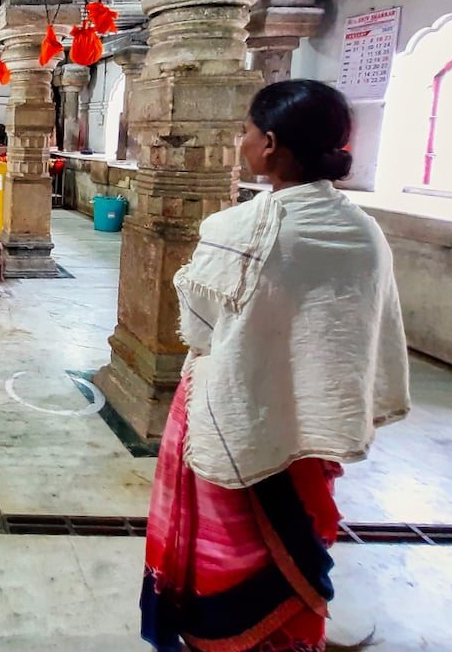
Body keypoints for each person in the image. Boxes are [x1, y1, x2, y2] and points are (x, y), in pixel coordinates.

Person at [141, 80, 410, 652]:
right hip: (311, 422)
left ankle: (224, 633)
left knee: (231, 544)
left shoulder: (238, 231)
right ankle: (293, 630)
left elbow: (200, 328)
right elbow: (363, 331)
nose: (241, 140)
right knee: (299, 530)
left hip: (235, 413)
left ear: (269, 144)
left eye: (245, 130)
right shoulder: (363, 232)